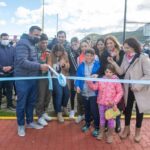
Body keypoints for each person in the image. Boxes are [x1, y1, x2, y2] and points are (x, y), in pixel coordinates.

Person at [108, 37, 150, 143]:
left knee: (140, 110)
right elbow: (121, 72)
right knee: (127, 109)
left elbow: (148, 74)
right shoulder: (126, 58)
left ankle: (138, 132)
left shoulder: (143, 57)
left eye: (128, 48)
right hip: (128, 88)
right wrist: (113, 63)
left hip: (140, 89)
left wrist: (138, 85)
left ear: (134, 47)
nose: (125, 50)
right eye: (124, 48)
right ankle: (126, 129)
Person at [14, 26, 49, 137]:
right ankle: (20, 125)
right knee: (22, 103)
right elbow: (22, 61)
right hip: (23, 79)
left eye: (39, 35)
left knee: (31, 102)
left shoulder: (32, 43)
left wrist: (41, 62)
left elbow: (32, 59)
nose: (37, 37)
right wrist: (39, 66)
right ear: (30, 33)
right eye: (35, 34)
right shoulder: (23, 43)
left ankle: (29, 122)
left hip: (32, 78)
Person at [87, 64, 123, 143]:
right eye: (107, 72)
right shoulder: (101, 80)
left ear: (113, 72)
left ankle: (110, 135)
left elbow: (120, 92)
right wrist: (89, 81)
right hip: (101, 103)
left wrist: (114, 102)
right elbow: (95, 87)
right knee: (102, 119)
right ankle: (101, 133)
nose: (108, 73)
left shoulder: (116, 81)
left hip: (111, 105)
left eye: (110, 72)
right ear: (104, 72)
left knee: (110, 120)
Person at [75, 48, 100, 137]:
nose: (88, 57)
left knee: (94, 110)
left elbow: (100, 76)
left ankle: (97, 127)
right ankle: (87, 124)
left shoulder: (98, 65)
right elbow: (78, 77)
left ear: (94, 56)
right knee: (87, 110)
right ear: (84, 56)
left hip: (94, 93)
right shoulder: (81, 65)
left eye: (91, 55)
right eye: (87, 55)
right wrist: (77, 86)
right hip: (84, 92)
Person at [50, 44, 70, 123]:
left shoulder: (65, 55)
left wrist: (64, 65)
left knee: (67, 93)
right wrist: (56, 64)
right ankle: (59, 113)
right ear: (54, 51)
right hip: (54, 77)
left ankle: (64, 107)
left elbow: (68, 66)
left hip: (63, 77)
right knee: (59, 93)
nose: (58, 53)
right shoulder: (51, 56)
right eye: (57, 52)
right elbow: (49, 67)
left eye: (60, 52)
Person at [35, 33, 52, 127]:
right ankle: (39, 115)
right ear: (39, 42)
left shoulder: (48, 50)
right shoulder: (34, 50)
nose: (44, 44)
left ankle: (44, 112)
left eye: (46, 42)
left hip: (47, 76)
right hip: (38, 76)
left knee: (48, 95)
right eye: (43, 42)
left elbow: (49, 64)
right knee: (40, 97)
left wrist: (48, 61)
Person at [0, 33, 15, 110]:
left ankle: (9, 104)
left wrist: (11, 67)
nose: (5, 40)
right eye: (4, 38)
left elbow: (15, 60)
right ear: (1, 39)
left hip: (10, 73)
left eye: (7, 39)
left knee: (9, 90)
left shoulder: (12, 48)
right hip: (0, 73)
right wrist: (2, 68)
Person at [68, 37, 80, 119]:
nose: (74, 46)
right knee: (72, 93)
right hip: (72, 75)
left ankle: (80, 111)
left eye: (76, 44)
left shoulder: (82, 52)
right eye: (72, 44)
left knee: (80, 94)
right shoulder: (69, 53)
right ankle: (72, 110)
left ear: (78, 43)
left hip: (81, 76)